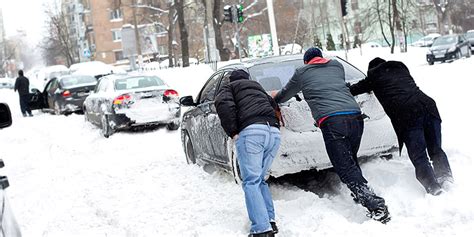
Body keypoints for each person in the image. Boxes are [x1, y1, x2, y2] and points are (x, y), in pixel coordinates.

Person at [272, 47, 390, 223]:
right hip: (356, 118)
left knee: (344, 167)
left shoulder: (302, 72)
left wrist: (273, 99)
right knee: (350, 159)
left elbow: (284, 94)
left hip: (333, 122)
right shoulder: (337, 66)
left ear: (306, 62)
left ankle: (374, 203)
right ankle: (360, 193)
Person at [350, 57, 453, 195]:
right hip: (428, 106)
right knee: (435, 148)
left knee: (419, 154)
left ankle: (433, 187)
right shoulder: (400, 67)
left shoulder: (373, 76)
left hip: (408, 113)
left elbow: (354, 89)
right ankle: (445, 177)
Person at [215, 69, 281, 237]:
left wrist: (233, 131)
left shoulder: (229, 88)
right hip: (273, 133)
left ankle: (261, 229)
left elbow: (223, 105)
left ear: (231, 80)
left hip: (252, 133)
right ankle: (270, 221)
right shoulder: (258, 88)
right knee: (260, 180)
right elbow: (274, 106)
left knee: (251, 181)